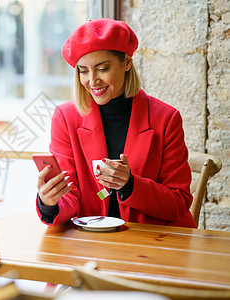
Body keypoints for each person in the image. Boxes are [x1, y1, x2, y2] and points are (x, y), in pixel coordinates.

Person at [36, 18, 196, 228]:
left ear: (127, 63)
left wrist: (130, 185)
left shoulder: (166, 119)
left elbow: (178, 203)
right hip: (94, 244)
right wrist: (49, 203)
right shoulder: (65, 118)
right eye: (83, 71)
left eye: (102, 69)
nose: (92, 81)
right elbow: (70, 195)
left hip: (156, 240)